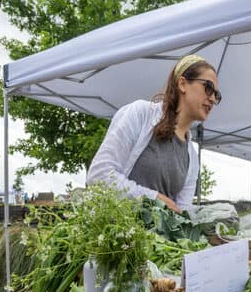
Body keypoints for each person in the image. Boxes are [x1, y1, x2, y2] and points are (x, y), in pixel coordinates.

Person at [86, 54, 221, 213]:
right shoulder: (140, 114)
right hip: (115, 232)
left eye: (217, 95)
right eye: (209, 88)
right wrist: (153, 199)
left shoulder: (191, 158)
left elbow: (182, 212)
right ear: (183, 84)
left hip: (157, 239)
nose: (212, 98)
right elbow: (99, 175)